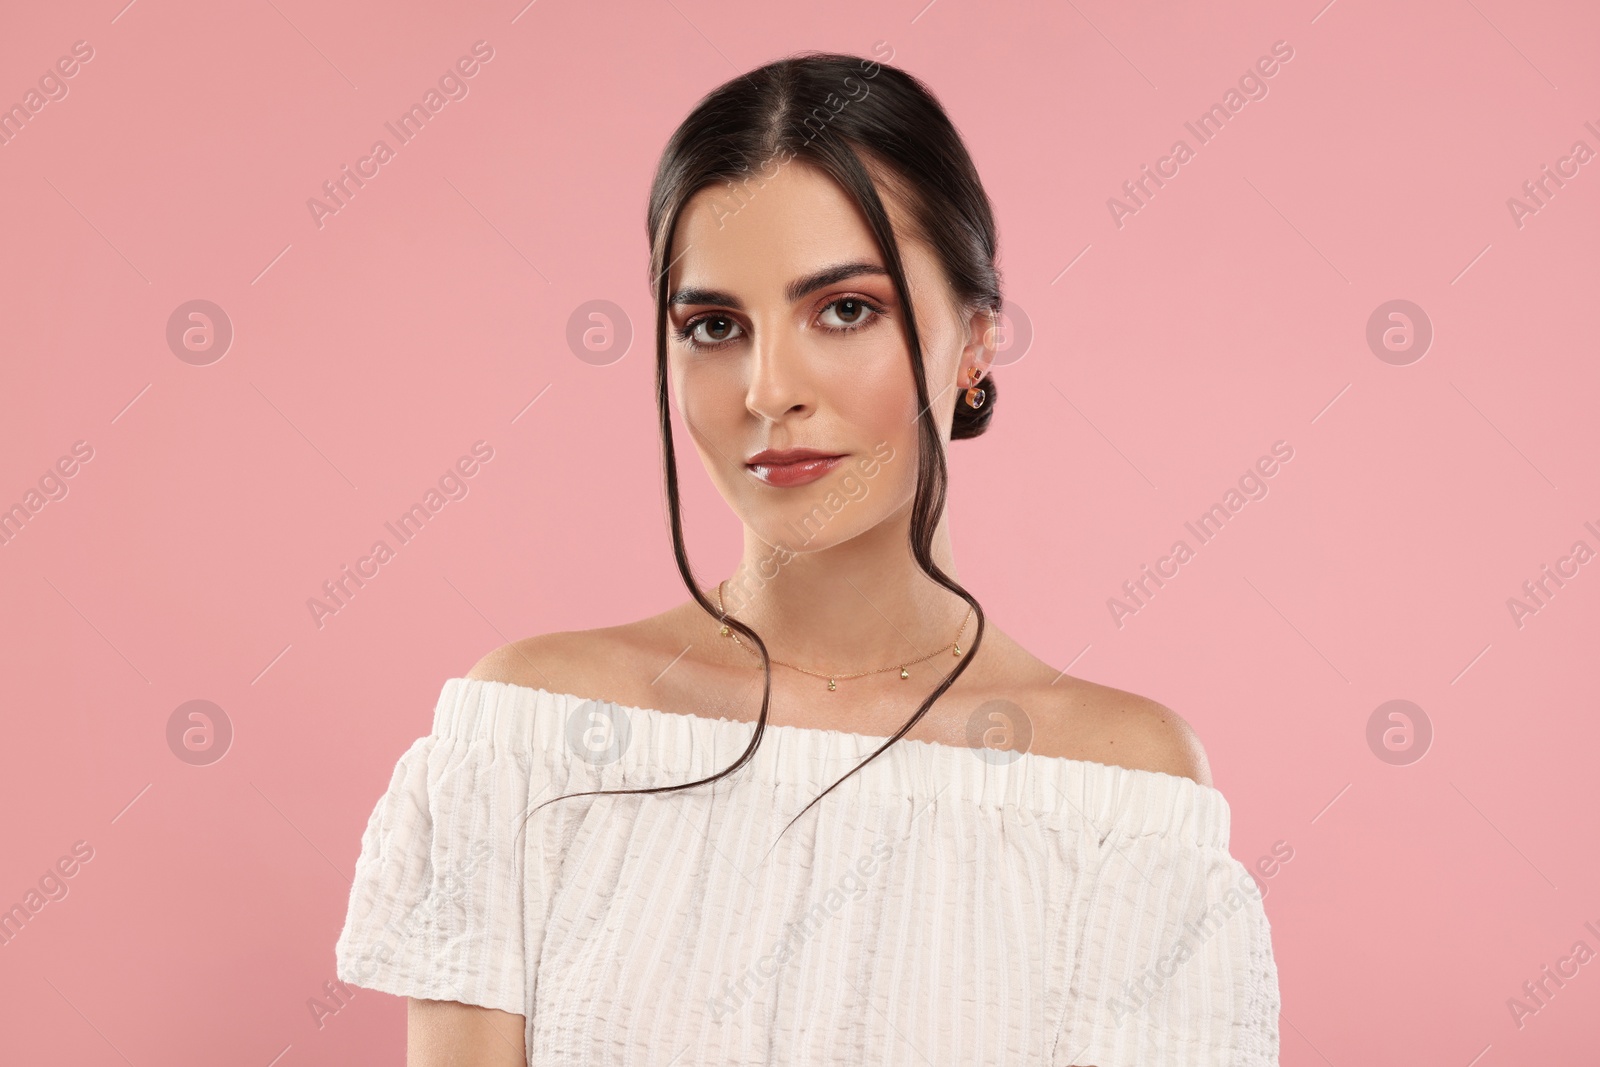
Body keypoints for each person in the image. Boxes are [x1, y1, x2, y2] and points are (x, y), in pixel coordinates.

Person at [334, 50, 1280, 1066]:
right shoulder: (534, 735)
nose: (767, 387)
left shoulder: (1114, 792)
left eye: (843, 309)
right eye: (713, 325)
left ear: (975, 340)